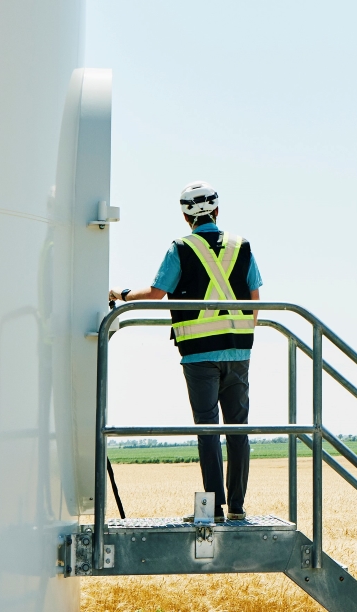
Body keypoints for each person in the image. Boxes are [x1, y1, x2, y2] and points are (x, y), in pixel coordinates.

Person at [110, 181, 262, 522]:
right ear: (217, 211)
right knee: (238, 429)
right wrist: (241, 338)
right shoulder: (243, 246)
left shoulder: (180, 247)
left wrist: (120, 293)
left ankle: (214, 511)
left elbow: (154, 294)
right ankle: (237, 509)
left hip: (197, 355)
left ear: (184, 216)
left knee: (207, 429)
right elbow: (256, 302)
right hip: (238, 352)